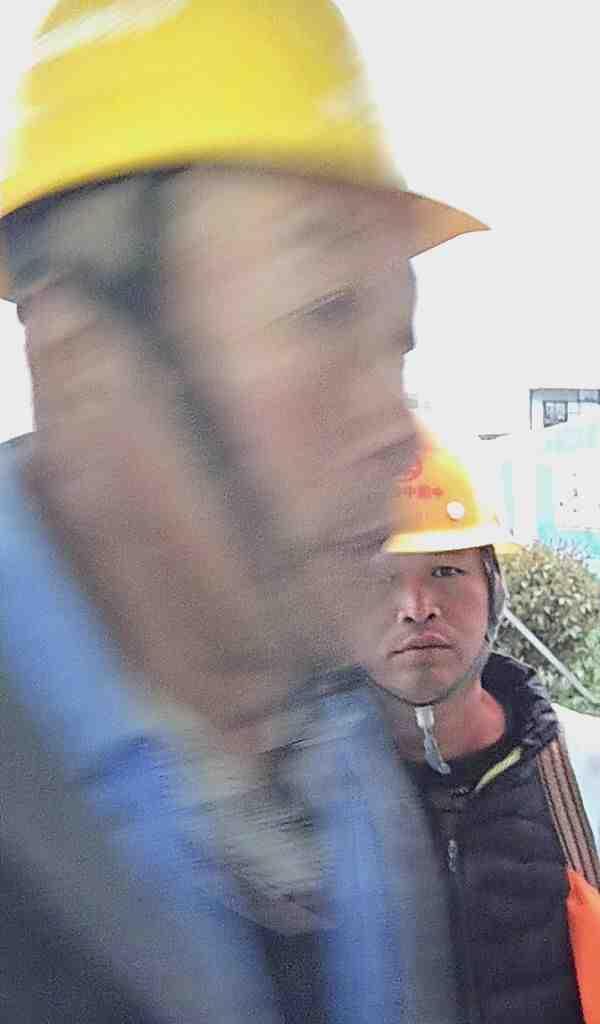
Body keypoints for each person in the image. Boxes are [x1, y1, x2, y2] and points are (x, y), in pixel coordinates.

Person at [0, 3, 487, 1022]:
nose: (399, 433)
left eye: (395, 340)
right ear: (79, 357)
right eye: (324, 311)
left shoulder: (352, 777)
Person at [356, 430, 600, 1024]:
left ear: (494, 592)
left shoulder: (587, 775)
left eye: (445, 570)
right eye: (381, 579)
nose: (416, 607)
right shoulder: (307, 803)